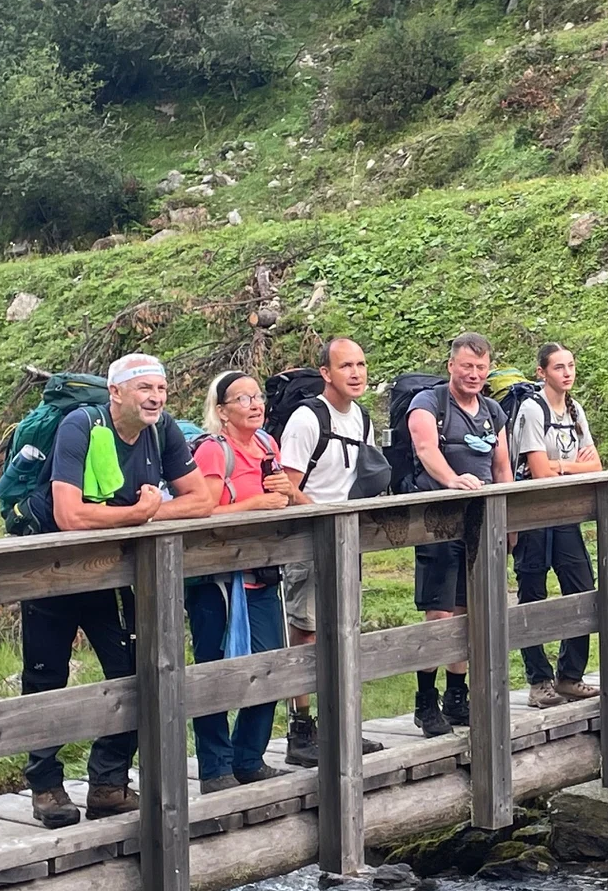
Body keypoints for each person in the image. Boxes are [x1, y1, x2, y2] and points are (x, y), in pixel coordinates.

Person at [20, 353, 214, 829]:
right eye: (145, 388)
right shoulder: (80, 426)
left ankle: (108, 783)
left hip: (116, 575)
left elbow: (203, 499)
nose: (156, 398)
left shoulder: (160, 429)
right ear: (116, 393)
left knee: (133, 671)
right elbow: (70, 517)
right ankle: (46, 787)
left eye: (162, 389)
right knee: (46, 678)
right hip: (54, 573)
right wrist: (138, 513)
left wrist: (147, 511)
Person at [277, 337, 383, 767]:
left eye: (360, 364)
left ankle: (340, 725)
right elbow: (287, 486)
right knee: (305, 631)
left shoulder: (361, 417)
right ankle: (300, 731)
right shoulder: (306, 419)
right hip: (307, 539)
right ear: (326, 373)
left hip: (346, 539)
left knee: (343, 631)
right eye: (346, 366)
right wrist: (322, 517)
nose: (356, 373)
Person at [186, 370, 292, 792]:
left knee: (272, 668)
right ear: (221, 410)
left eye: (257, 396)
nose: (254, 404)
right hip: (218, 578)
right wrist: (257, 504)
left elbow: (284, 500)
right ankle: (215, 768)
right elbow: (203, 511)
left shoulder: (267, 444)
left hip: (263, 572)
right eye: (242, 398)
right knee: (216, 671)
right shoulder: (214, 452)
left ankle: (250, 757)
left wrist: (285, 494)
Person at [406, 332, 513, 736]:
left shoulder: (492, 411)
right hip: (438, 519)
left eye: (481, 368)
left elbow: (502, 465)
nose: (473, 374)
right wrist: (452, 480)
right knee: (440, 610)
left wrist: (509, 518)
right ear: (451, 365)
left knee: (470, 610)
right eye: (466, 366)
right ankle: (424, 699)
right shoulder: (428, 404)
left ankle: (456, 696)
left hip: (481, 522)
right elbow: (425, 448)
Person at [510, 343, 602, 708]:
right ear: (541, 372)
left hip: (566, 511)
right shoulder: (532, 410)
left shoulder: (575, 409)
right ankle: (539, 681)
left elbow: (595, 466)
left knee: (582, 588)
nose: (567, 372)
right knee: (532, 594)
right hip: (532, 514)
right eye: (558, 367)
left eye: (571, 365)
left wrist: (560, 465)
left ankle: (570, 675)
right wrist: (568, 465)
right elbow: (538, 471)